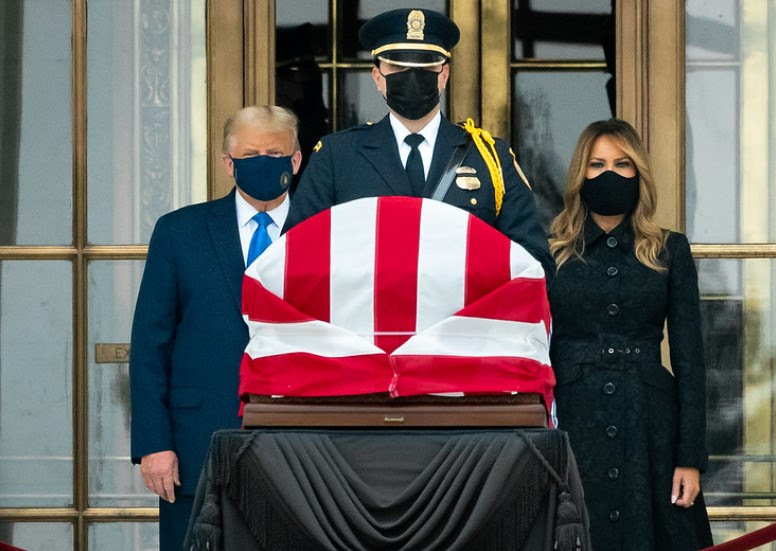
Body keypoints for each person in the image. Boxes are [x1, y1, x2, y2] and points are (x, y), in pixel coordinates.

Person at [129, 105, 302, 550]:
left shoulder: (325, 231)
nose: (264, 161)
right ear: (228, 163)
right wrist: (154, 444)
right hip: (194, 447)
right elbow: (151, 345)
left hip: (303, 450)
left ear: (296, 160)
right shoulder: (179, 232)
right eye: (250, 153)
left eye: (275, 152)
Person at [283, 8, 554, 279]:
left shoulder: (490, 159)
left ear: (444, 75)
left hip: (463, 319)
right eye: (398, 66)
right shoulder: (336, 156)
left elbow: (533, 261)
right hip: (368, 319)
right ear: (377, 78)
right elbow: (294, 257)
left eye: (425, 66)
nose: (412, 76)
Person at [548, 118, 713, 550]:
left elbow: (690, 359)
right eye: (597, 164)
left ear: (638, 173)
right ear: (579, 173)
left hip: (650, 430)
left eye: (623, 164)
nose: (609, 174)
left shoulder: (668, 249)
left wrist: (690, 458)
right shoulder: (550, 251)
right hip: (570, 423)